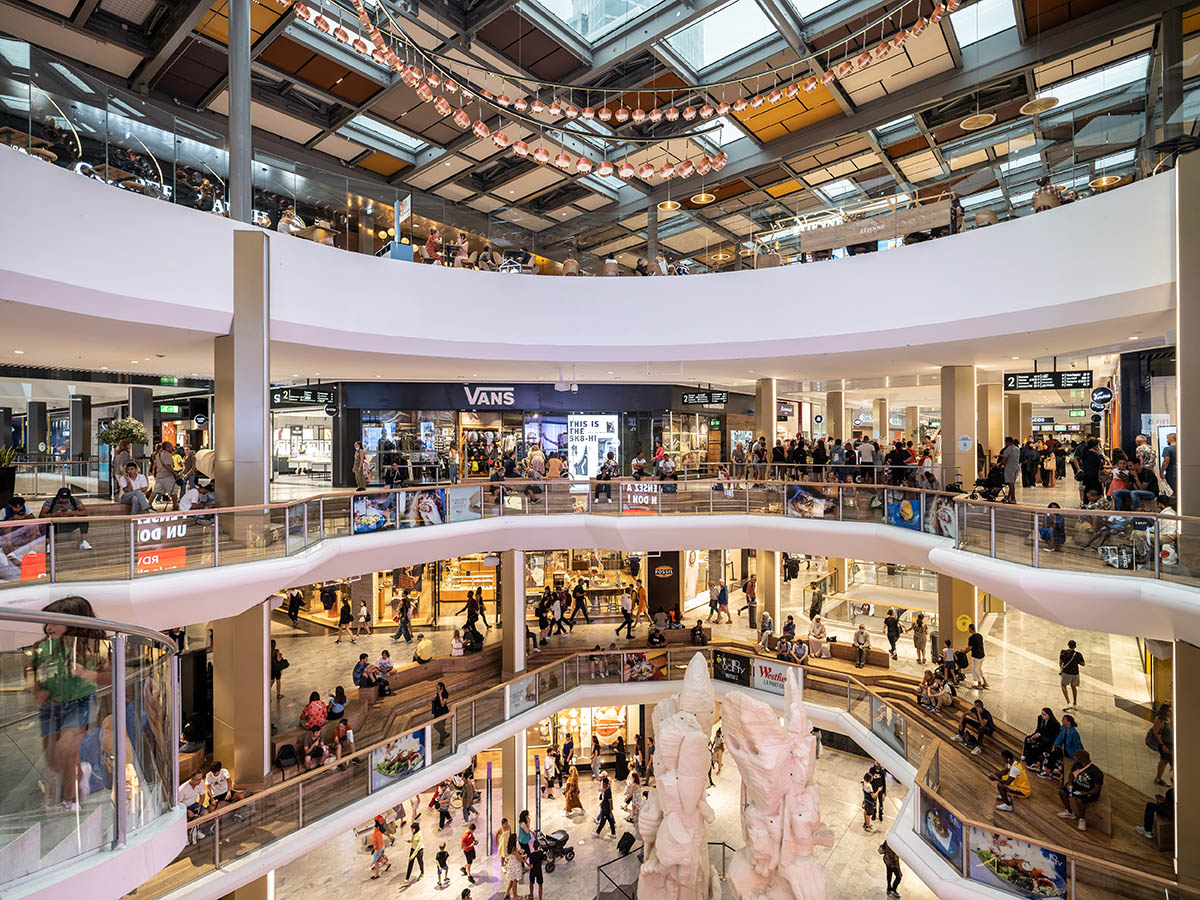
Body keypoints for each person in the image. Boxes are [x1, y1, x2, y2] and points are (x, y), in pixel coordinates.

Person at [1058, 749, 1103, 831]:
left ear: (1081, 759)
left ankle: (1082, 819)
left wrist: (1086, 793)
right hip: (1077, 786)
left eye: (1075, 757)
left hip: (1090, 792)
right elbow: (1071, 774)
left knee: (1079, 800)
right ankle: (1069, 812)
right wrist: (1070, 783)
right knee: (1062, 792)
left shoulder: (1096, 772)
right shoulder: (1076, 765)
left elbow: (1097, 789)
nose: (1074, 758)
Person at [1022, 708, 1060, 773]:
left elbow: (1051, 735)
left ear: (1049, 715)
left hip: (1048, 739)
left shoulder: (1054, 724)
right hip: (1040, 736)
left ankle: (1038, 762)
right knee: (1028, 739)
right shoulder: (1040, 718)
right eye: (1042, 714)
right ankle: (1025, 755)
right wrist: (1033, 735)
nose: (1043, 716)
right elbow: (1038, 728)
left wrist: (1039, 735)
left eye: (1044, 714)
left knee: (1042, 744)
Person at [1047, 714, 1083, 782]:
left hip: (1070, 751)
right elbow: (1059, 737)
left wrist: (1076, 756)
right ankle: (1049, 770)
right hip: (1064, 748)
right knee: (1053, 752)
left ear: (1068, 722)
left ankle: (1050, 771)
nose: (1062, 720)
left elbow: (1077, 745)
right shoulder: (1063, 727)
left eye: (1064, 719)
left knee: (1055, 754)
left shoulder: (1074, 732)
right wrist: (1054, 745)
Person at [1148, 703, 1172, 786]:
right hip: (1166, 745)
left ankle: (1158, 779)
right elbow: (1156, 733)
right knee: (1171, 763)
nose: (1171, 712)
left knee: (1164, 761)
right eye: (1169, 711)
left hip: (1171, 744)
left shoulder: (1170, 718)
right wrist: (1162, 745)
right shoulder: (1159, 720)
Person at [1058, 640, 1084, 709]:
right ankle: (1075, 703)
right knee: (1074, 687)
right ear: (1075, 646)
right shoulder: (1078, 654)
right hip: (1075, 673)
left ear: (1068, 645)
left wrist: (1061, 668)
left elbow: (1060, 662)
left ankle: (1068, 702)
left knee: (1063, 685)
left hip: (1066, 672)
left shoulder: (1063, 652)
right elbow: (1083, 664)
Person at [966, 623, 988, 690]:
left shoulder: (971, 638)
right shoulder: (980, 636)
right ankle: (985, 682)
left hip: (976, 656)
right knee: (980, 669)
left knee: (975, 670)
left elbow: (969, 648)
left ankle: (979, 684)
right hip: (982, 655)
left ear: (970, 629)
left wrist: (963, 651)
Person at [999, 436, 1020, 503]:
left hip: (1010, 467)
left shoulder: (1007, 449)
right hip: (1016, 466)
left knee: (1011, 484)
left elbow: (1004, 460)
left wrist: (1000, 465)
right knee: (1012, 483)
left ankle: (1012, 498)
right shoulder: (1017, 449)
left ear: (1007, 442)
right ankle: (1010, 497)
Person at [433, 682, 451, 748]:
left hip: (443, 713)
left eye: (438, 688)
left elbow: (443, 704)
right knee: (436, 726)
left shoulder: (445, 694)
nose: (437, 690)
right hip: (437, 712)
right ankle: (444, 734)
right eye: (436, 688)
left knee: (441, 727)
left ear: (442, 688)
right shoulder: (438, 693)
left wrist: (440, 695)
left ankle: (441, 743)